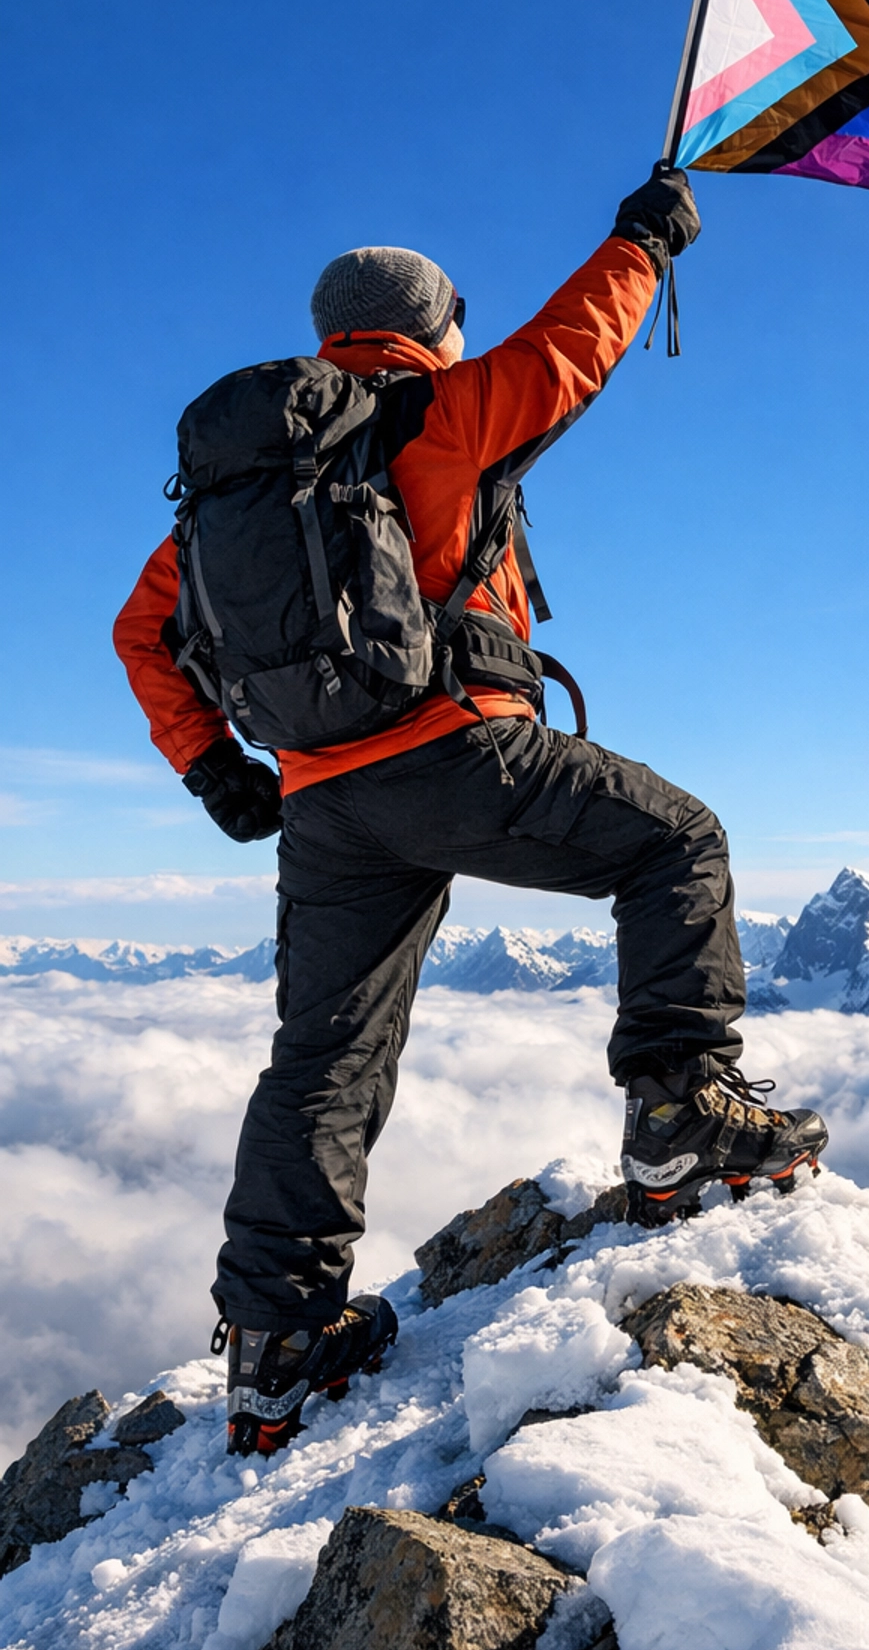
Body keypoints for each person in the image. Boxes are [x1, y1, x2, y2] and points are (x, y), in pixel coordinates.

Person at [114, 166, 828, 1457]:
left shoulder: (235, 495)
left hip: (326, 809)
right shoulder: (435, 411)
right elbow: (572, 349)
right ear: (427, 323)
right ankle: (679, 1113)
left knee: (324, 1056)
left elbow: (141, 631)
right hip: (461, 757)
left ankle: (278, 1346)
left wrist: (218, 770)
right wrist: (644, 238)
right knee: (678, 843)